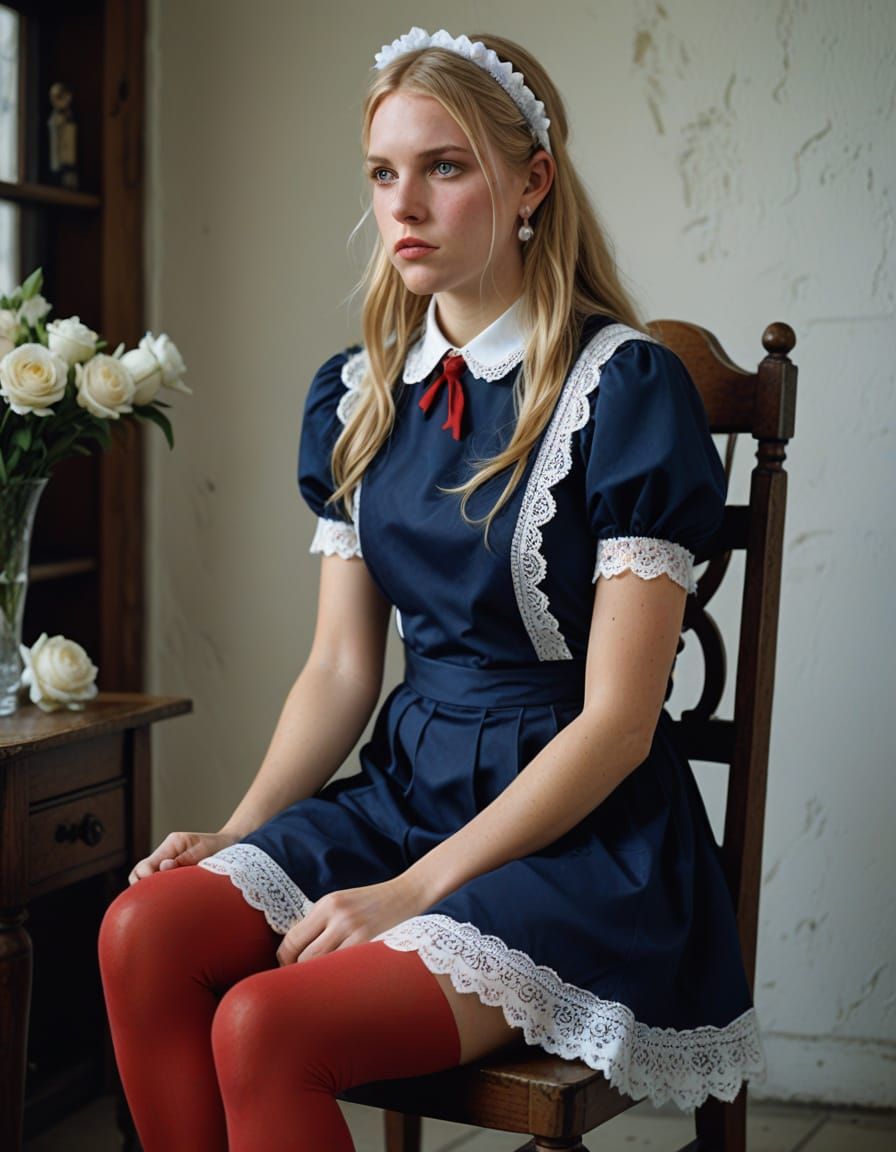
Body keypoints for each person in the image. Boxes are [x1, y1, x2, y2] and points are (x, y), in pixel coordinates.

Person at [99, 27, 766, 1152]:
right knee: (140, 933)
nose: (401, 204)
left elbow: (615, 723)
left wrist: (415, 890)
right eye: (381, 171)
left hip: (581, 832)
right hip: (409, 791)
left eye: (443, 166)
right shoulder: (356, 393)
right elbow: (341, 667)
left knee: (262, 1025)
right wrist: (241, 826)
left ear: (529, 183)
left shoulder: (625, 389)